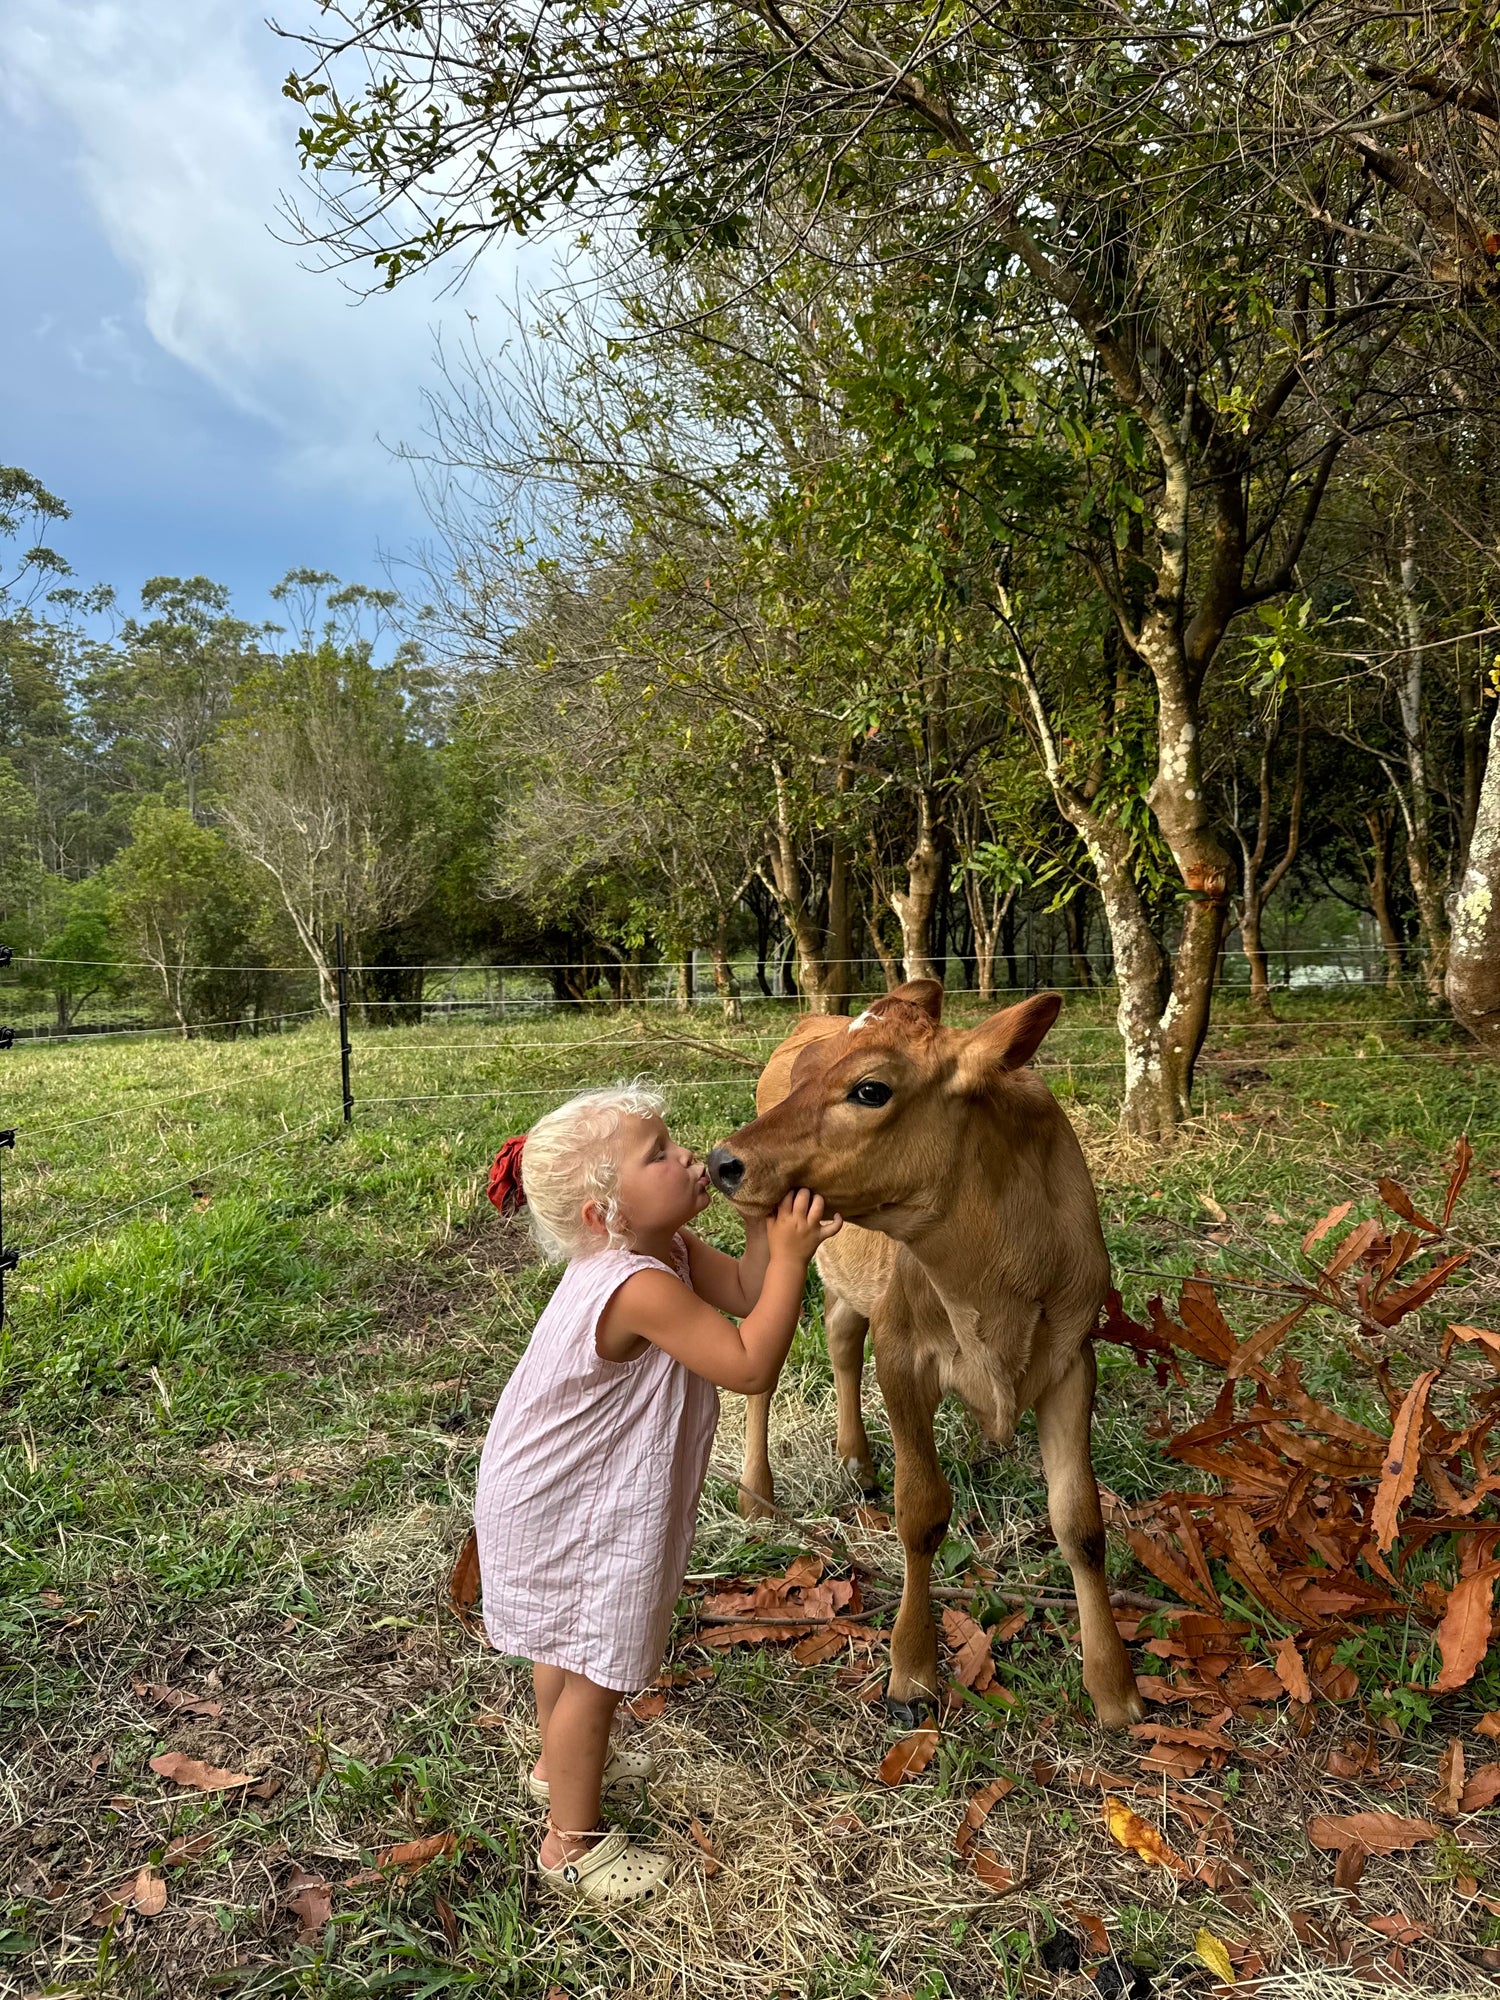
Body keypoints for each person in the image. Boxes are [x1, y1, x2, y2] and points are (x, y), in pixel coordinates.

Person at [474, 1083, 841, 1906]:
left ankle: (556, 1767)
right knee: (592, 1665)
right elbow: (749, 1362)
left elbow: (744, 1296)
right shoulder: (634, 1283)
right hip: (566, 1501)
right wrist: (792, 1257)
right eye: (658, 1153)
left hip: (550, 1486)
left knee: (565, 1650)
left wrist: (757, 1229)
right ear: (607, 1212)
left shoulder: (665, 1252)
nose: (685, 1156)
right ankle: (570, 1844)